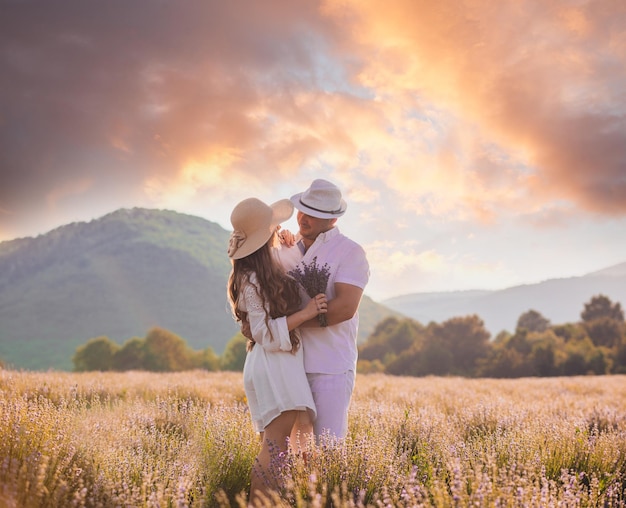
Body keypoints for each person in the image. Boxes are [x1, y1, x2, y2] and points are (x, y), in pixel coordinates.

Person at [226, 197, 327, 503]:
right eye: (272, 229)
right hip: (273, 364)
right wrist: (308, 313)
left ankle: (272, 501)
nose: (277, 231)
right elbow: (266, 333)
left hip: (270, 363)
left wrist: (290, 248)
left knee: (276, 447)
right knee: (275, 447)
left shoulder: (259, 271)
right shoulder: (251, 279)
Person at [278, 178, 370, 441]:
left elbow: (345, 308)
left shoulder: (350, 252)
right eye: (303, 210)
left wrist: (286, 324)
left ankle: (330, 485)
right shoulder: (287, 247)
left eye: (314, 215)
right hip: (289, 363)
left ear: (333, 220)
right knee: (288, 449)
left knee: (328, 448)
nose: (304, 218)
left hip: (330, 366)